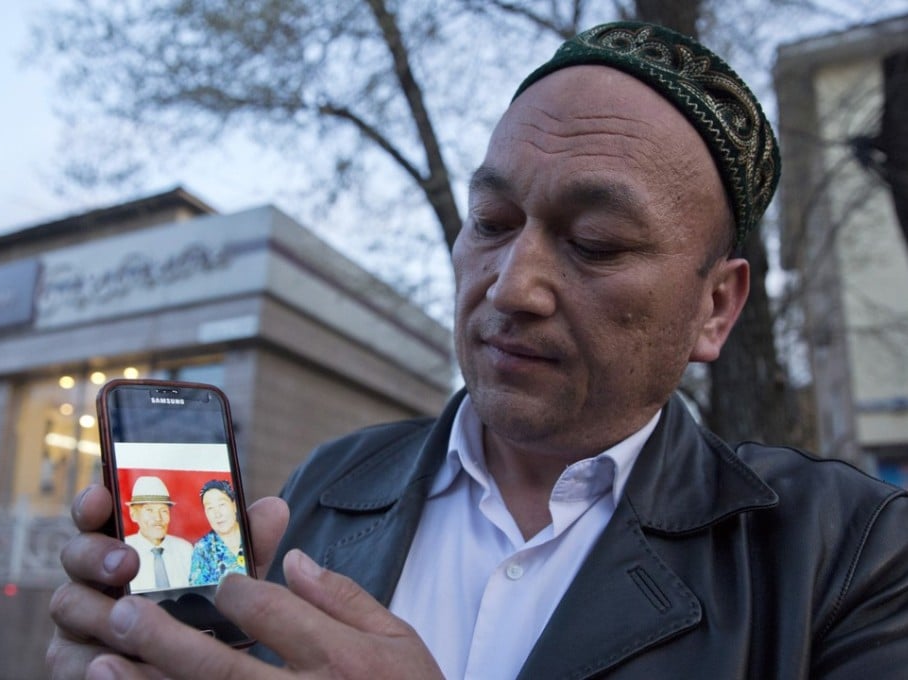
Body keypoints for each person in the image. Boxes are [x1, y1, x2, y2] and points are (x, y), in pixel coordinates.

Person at [47, 21, 908, 679]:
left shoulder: (852, 557)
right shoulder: (329, 485)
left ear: (715, 308)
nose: (511, 286)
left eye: (596, 243)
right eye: (492, 223)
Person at [122, 475, 192, 592]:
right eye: (149, 510)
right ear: (133, 514)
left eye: (163, 511)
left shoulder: (185, 550)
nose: (158, 518)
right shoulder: (124, 550)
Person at [189, 479, 247, 585]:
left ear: (234, 505)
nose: (217, 514)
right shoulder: (203, 549)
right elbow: (199, 589)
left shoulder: (251, 532)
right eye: (210, 508)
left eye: (222, 505)